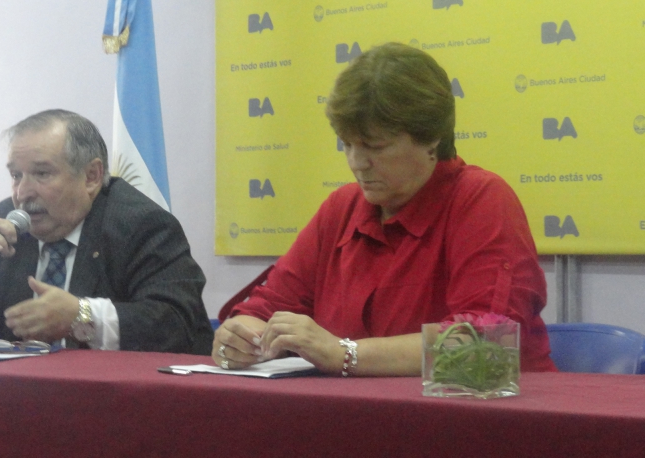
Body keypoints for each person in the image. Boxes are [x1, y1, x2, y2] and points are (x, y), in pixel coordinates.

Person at [213, 43, 556, 375]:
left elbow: (483, 341)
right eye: (347, 145)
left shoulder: (481, 199)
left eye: (376, 146)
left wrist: (344, 354)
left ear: (431, 139)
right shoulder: (341, 209)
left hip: (482, 410)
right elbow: (263, 310)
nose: (357, 162)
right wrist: (241, 338)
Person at [0, 109, 212, 354]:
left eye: (42, 173)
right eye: (16, 175)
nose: (22, 193)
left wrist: (80, 317)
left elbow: (177, 327)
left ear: (91, 177)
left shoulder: (141, 225)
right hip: (16, 395)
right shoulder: (5, 226)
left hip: (108, 398)